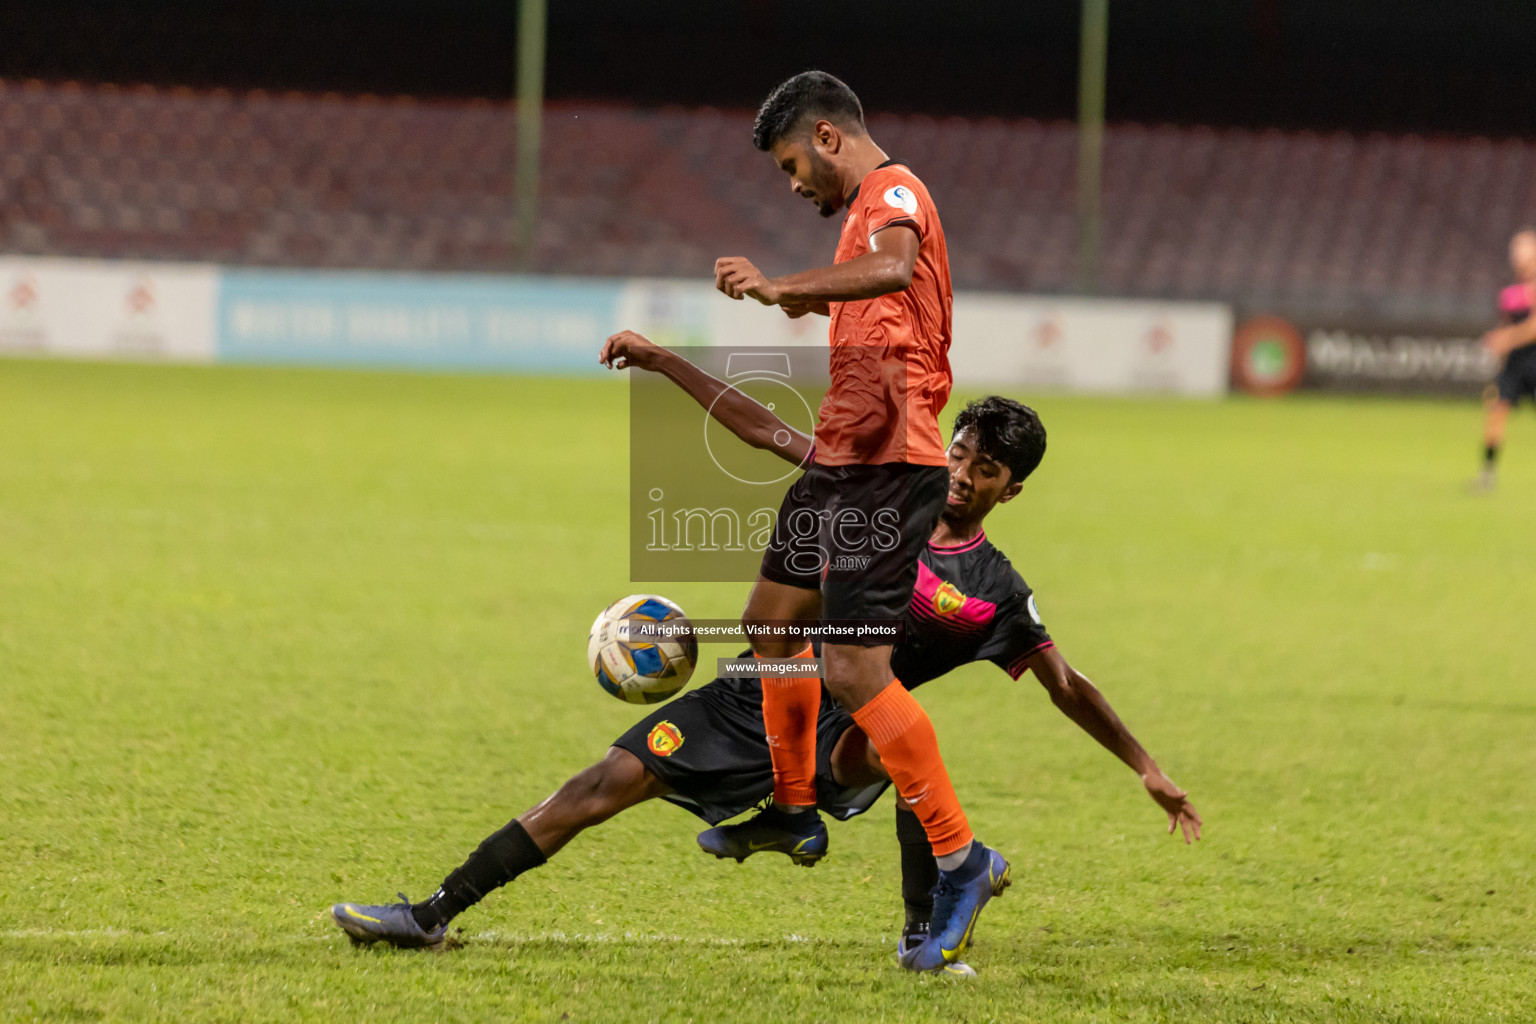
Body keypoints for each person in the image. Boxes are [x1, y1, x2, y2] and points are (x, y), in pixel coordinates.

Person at [329, 332, 1203, 978]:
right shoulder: (878, 486)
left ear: (1014, 489)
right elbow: (763, 432)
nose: (966, 473)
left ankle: (918, 928)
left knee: (894, 737)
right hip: (756, 695)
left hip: (843, 738)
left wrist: (1146, 766)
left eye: (987, 468)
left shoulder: (994, 591)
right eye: (963, 452)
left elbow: (1066, 684)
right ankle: (433, 913)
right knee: (599, 786)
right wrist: (667, 362)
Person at [712, 70, 993, 973]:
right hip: (844, 456)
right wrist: (809, 295)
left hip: (890, 461)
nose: (794, 183)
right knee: (768, 622)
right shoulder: (855, 214)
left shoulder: (893, 189)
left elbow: (897, 265)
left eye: (795, 162)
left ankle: (961, 857)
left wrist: (778, 286)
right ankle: (795, 808)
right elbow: (870, 289)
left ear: (829, 136)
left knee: (855, 669)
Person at [1475, 228, 1536, 491]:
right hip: (1513, 365)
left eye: (1524, 247)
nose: (1519, 254)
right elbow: (1504, 328)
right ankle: (1487, 475)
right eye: (1516, 248)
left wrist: (1505, 339)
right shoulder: (1509, 292)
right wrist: (1499, 360)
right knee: (1495, 414)